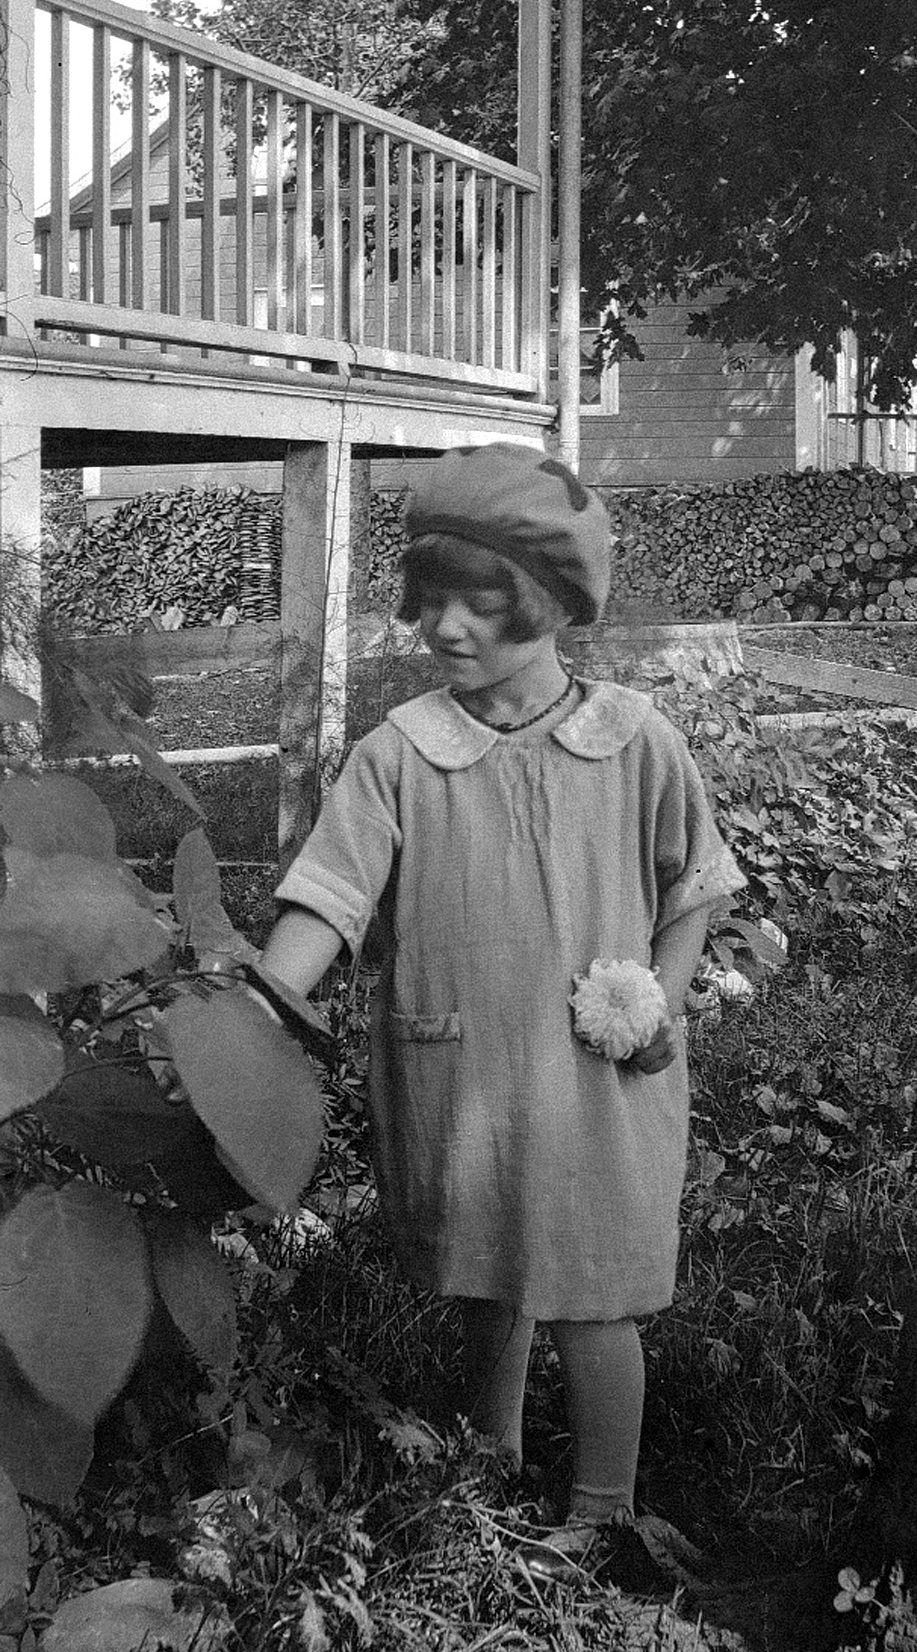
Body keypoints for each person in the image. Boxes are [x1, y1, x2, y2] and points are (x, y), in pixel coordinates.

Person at [259, 442, 744, 1573]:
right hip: (464, 1064)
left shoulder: (635, 743)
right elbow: (328, 900)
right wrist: (263, 1000)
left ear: (545, 606)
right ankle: (487, 1466)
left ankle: (602, 1505)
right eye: (430, 603)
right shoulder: (401, 756)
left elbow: (693, 889)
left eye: (478, 606)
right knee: (487, 1272)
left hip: (597, 1075)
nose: (444, 629)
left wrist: (656, 1005)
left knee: (589, 1291)